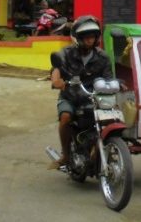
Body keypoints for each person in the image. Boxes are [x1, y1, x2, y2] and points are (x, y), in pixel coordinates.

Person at [48, 15, 113, 169]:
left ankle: (96, 150)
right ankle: (65, 155)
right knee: (65, 117)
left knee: (109, 121)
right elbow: (56, 68)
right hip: (70, 96)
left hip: (93, 98)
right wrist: (56, 81)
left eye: (92, 37)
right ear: (78, 38)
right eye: (86, 37)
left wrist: (117, 84)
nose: (90, 40)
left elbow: (109, 77)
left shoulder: (102, 57)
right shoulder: (67, 53)